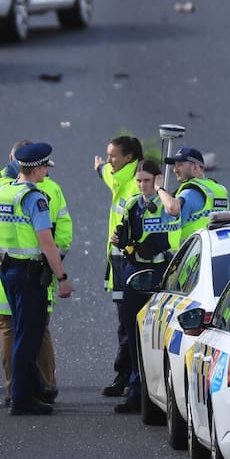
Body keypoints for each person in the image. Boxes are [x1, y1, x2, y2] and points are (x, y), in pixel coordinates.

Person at [0, 141, 72, 403]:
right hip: (32, 274)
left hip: (4, 273)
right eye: (45, 167)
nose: (47, 171)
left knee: (13, 333)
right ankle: (29, 394)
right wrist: (61, 276)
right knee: (31, 335)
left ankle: (19, 389)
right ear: (37, 168)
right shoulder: (36, 196)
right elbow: (51, 241)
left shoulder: (0, 192)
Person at [110, 160, 173, 413]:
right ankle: (137, 392)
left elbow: (174, 224)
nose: (142, 185)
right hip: (134, 271)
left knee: (157, 337)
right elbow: (123, 236)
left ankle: (158, 393)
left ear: (157, 180)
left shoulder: (166, 203)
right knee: (134, 333)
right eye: (139, 181)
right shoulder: (133, 204)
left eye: (147, 180)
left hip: (159, 274)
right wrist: (120, 239)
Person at [93, 134, 142, 399]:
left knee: (128, 322)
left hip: (131, 263)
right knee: (123, 323)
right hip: (118, 262)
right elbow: (106, 175)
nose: (110, 160)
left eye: (113, 155)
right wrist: (100, 167)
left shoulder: (137, 185)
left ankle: (128, 376)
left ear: (129, 158)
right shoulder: (118, 176)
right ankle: (125, 374)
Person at [158, 146, 230, 249]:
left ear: (195, 167)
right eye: (175, 165)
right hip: (216, 248)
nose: (175, 170)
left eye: (180, 165)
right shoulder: (219, 190)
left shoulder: (188, 194)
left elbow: (167, 226)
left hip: (190, 254)